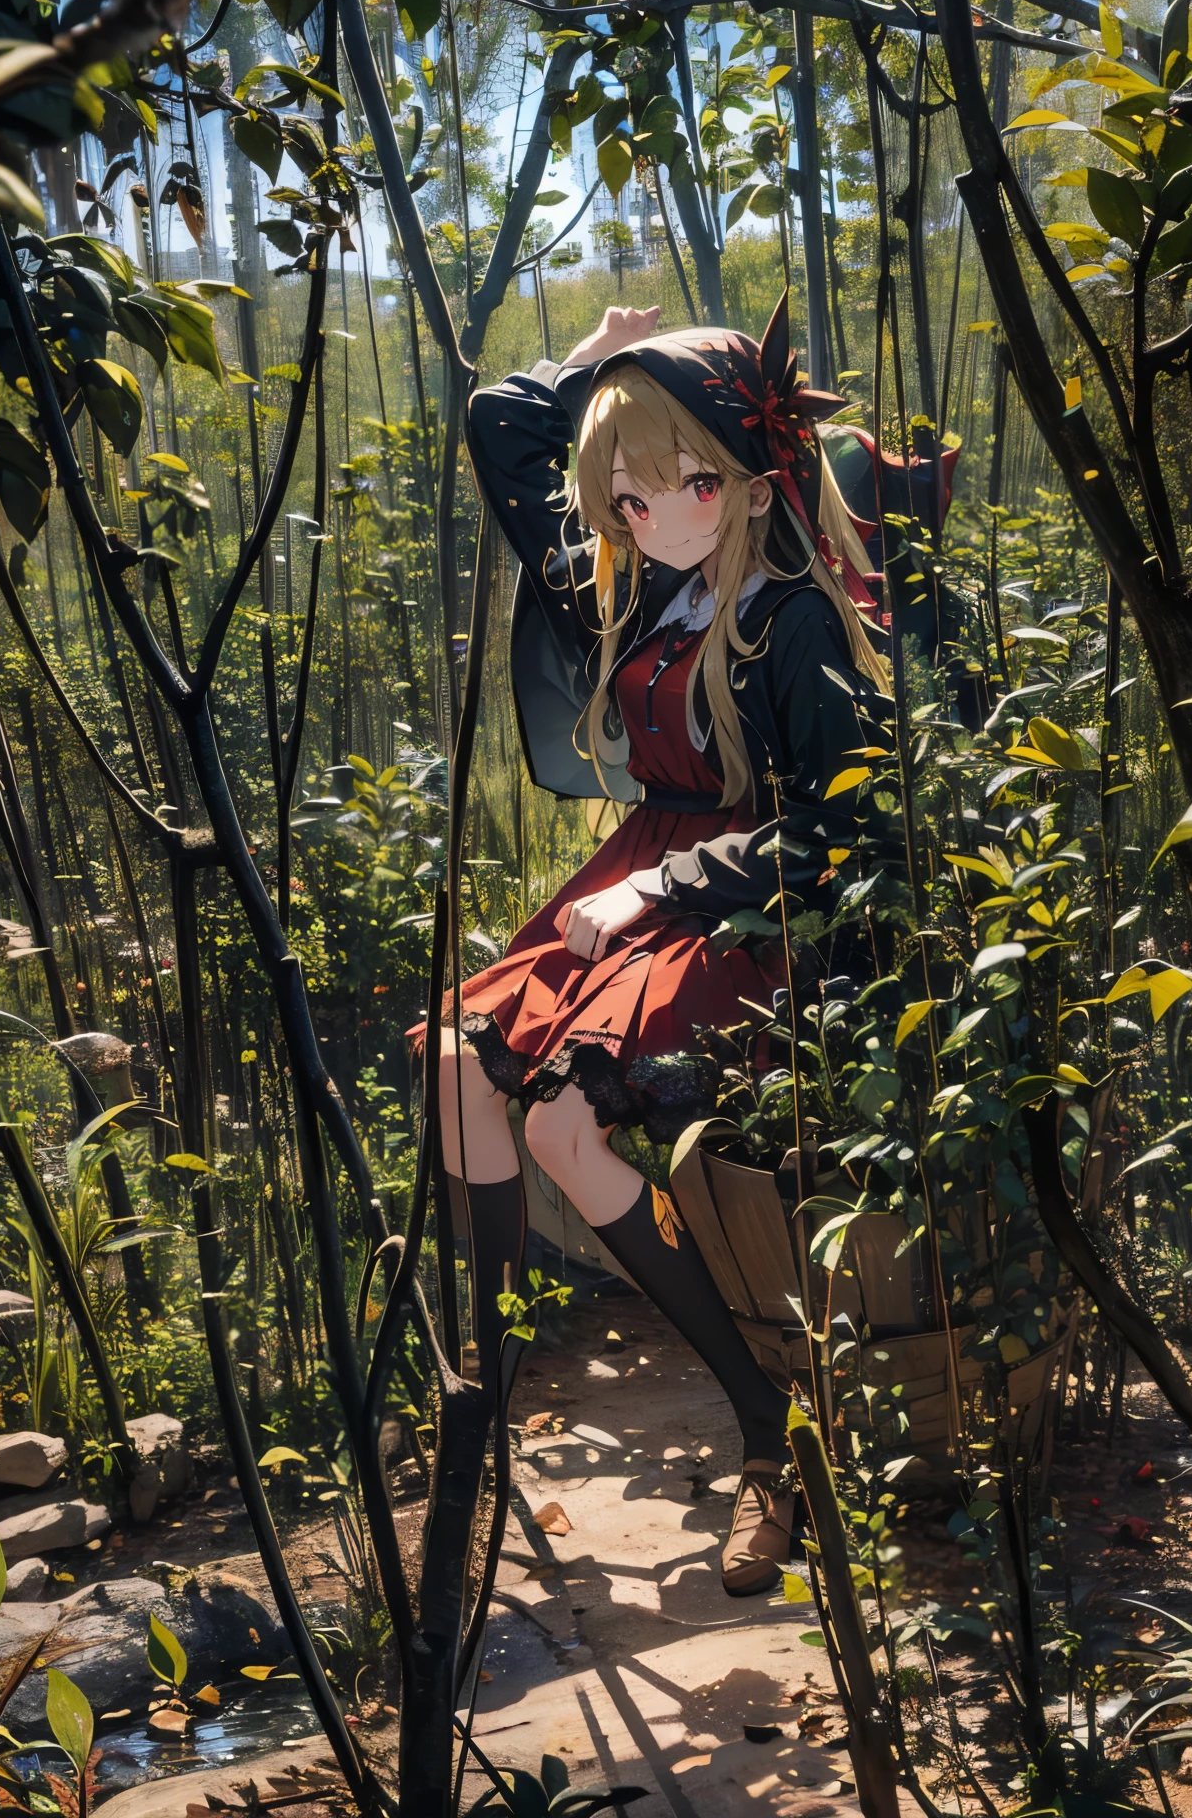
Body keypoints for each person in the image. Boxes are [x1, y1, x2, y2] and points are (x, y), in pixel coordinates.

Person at [420, 294, 889, 1596]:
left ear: (740, 480)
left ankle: (770, 1439)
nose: (634, 519)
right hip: (642, 886)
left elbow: (843, 840)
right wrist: (590, 363)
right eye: (617, 498)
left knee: (566, 1130)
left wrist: (665, 889)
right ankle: (491, 1407)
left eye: (662, 487)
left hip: (751, 910)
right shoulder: (636, 599)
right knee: (459, 1069)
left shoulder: (795, 623)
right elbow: (501, 428)